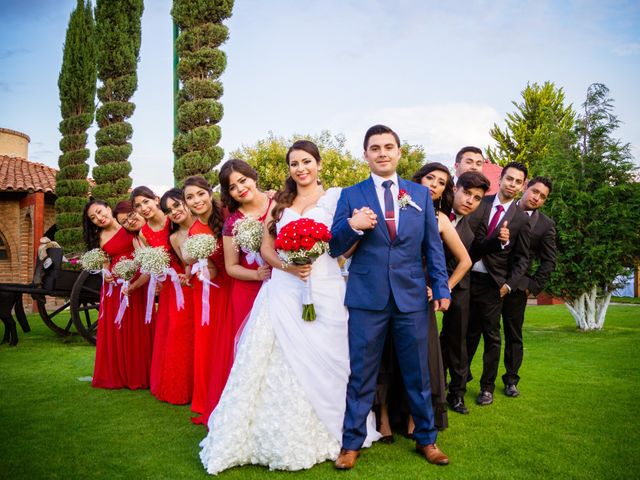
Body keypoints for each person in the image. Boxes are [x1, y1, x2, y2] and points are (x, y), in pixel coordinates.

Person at [199, 140, 379, 474]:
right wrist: (289, 268)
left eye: (306, 161)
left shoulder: (338, 197)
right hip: (283, 290)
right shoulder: (280, 203)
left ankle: (339, 431)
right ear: (289, 169)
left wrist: (341, 251)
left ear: (319, 164)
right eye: (294, 163)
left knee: (332, 358)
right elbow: (268, 248)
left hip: (325, 286)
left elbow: (347, 240)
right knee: (273, 359)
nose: (301, 168)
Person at [330, 125, 451, 469]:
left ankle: (427, 439)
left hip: (412, 296)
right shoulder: (351, 195)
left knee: (418, 373)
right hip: (367, 297)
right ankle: (351, 445)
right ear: (365, 155)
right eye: (374, 148)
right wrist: (353, 225)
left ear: (399, 152)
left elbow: (433, 246)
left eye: (388, 147)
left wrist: (440, 287)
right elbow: (335, 247)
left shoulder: (420, 194)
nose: (382, 153)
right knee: (362, 374)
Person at [466, 162, 531, 406]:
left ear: (522, 185)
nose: (512, 185)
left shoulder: (522, 220)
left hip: (494, 285)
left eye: (518, 182)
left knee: (492, 337)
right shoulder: (479, 203)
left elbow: (523, 258)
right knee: (465, 333)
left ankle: (487, 388)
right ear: (500, 179)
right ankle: (458, 383)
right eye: (509, 179)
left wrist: (509, 285)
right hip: (468, 277)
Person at [132, 186, 194, 405]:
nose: (143, 208)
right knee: (172, 334)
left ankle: (194, 386)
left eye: (146, 202)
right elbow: (152, 263)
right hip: (169, 287)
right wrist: (156, 274)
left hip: (189, 281)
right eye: (138, 206)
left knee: (188, 333)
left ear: (156, 200)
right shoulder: (143, 233)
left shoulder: (173, 220)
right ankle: (175, 387)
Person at [82, 198, 153, 389]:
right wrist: (105, 275)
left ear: (108, 208)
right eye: (93, 217)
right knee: (119, 328)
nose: (99, 218)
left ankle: (140, 374)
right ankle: (119, 373)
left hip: (138, 279)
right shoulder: (100, 237)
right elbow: (105, 263)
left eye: (99, 211)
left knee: (139, 326)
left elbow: (143, 248)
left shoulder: (128, 225)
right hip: (115, 287)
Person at [182, 176, 234, 422]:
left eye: (200, 194)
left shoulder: (228, 213)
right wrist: (203, 270)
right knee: (213, 344)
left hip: (241, 281)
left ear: (209, 192)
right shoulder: (193, 232)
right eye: (190, 198)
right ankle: (213, 396)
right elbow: (212, 268)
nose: (196, 200)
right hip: (215, 290)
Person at [440, 172, 491, 414]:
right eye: (467, 193)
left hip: (458, 285)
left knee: (457, 339)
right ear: (456, 188)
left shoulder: (470, 232)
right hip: (423, 282)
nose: (470, 200)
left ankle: (457, 393)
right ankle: (434, 387)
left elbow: (468, 259)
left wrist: (447, 286)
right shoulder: (435, 212)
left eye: (477, 198)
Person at [501, 176, 556, 397]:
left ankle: (511, 380)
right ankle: (463, 378)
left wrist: (531, 286)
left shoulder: (545, 225)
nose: (537, 198)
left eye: (543, 196)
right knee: (478, 332)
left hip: (517, 289)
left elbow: (549, 261)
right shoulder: (503, 209)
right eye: (535, 191)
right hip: (489, 282)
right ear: (525, 188)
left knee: (513, 335)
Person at [219, 159, 273, 334]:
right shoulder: (232, 223)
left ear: (253, 178)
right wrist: (256, 275)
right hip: (249, 289)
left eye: (243, 181)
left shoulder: (280, 202)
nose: (240, 189)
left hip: (283, 281)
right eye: (232, 187)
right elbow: (231, 267)